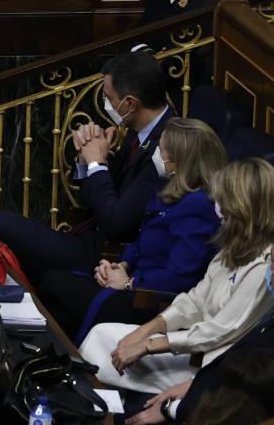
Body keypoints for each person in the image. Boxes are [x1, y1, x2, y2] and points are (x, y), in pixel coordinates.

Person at [78, 158, 274, 395]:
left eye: (224, 200)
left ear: (243, 205)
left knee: (102, 351)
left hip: (214, 365)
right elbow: (194, 300)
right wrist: (144, 332)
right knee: (101, 334)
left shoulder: (265, 265)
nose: (218, 208)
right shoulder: (232, 248)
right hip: (191, 344)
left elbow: (219, 331)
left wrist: (149, 346)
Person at [0, 51, 172, 284]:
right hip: (89, 236)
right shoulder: (138, 129)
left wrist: (97, 163)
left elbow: (117, 225)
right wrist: (87, 160)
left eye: (109, 98)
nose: (107, 105)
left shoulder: (166, 150)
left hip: (109, 257)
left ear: (131, 103)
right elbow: (100, 198)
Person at [38, 118, 226, 343]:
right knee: (56, 296)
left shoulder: (200, 206)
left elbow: (180, 276)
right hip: (131, 283)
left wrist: (129, 283)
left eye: (161, 149)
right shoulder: (172, 193)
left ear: (177, 162)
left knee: (52, 283)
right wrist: (121, 266)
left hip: (148, 303)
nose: (155, 152)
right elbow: (141, 240)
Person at [124, 256, 274, 424]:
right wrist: (192, 384)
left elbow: (248, 392)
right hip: (201, 388)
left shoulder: (258, 270)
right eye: (271, 262)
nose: (270, 271)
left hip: (210, 407)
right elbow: (196, 300)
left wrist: (171, 409)